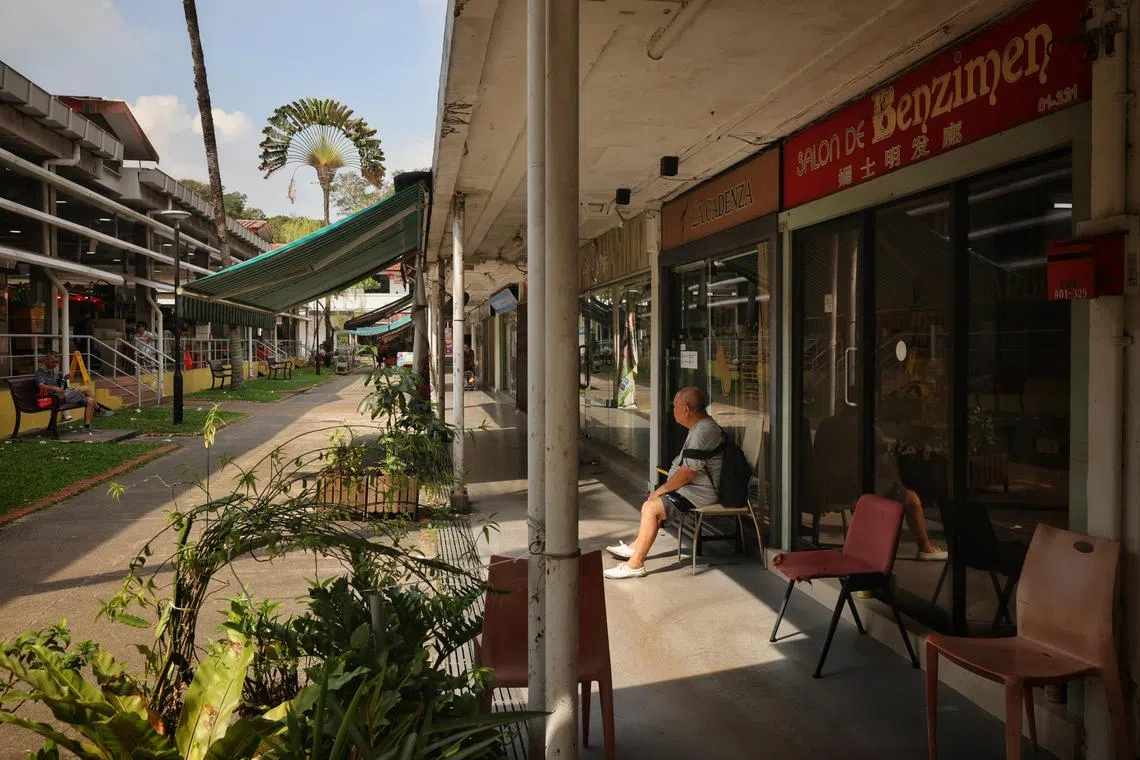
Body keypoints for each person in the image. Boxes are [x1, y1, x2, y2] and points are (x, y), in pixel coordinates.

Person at [604, 385, 723, 579]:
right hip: (691, 489)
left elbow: (687, 475)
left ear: (685, 409)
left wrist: (661, 490)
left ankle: (635, 564)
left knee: (651, 508)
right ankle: (635, 548)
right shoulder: (700, 427)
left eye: (675, 406)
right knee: (650, 505)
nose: (672, 410)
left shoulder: (704, 432)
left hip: (698, 493)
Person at [814, 405, 947, 561]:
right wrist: (898, 483)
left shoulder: (826, 425)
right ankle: (926, 548)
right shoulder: (870, 429)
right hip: (856, 488)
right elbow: (883, 465)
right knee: (912, 500)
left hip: (830, 488)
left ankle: (863, 541)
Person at [35, 352, 103, 429]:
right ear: (46, 360)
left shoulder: (50, 370)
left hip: (62, 396)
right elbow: (41, 385)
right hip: (55, 398)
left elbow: (56, 385)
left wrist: (64, 379)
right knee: (85, 388)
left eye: (57, 362)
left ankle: (87, 426)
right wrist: (53, 388)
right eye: (53, 362)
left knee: (90, 400)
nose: (55, 365)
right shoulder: (40, 373)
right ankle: (98, 409)